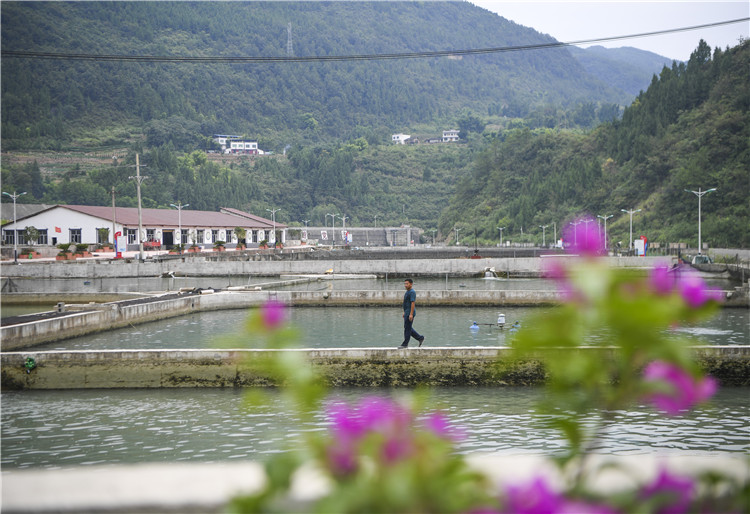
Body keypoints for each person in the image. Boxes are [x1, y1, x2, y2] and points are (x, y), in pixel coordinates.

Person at [398, 278, 425, 348]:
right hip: (407, 312)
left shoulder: (412, 292)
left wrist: (411, 314)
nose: (405, 285)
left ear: (411, 284)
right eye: (405, 284)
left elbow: (413, 303)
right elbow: (406, 303)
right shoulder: (407, 291)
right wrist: (405, 312)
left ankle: (405, 344)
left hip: (410, 313)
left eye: (407, 284)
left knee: (407, 328)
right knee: (408, 327)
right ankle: (420, 338)